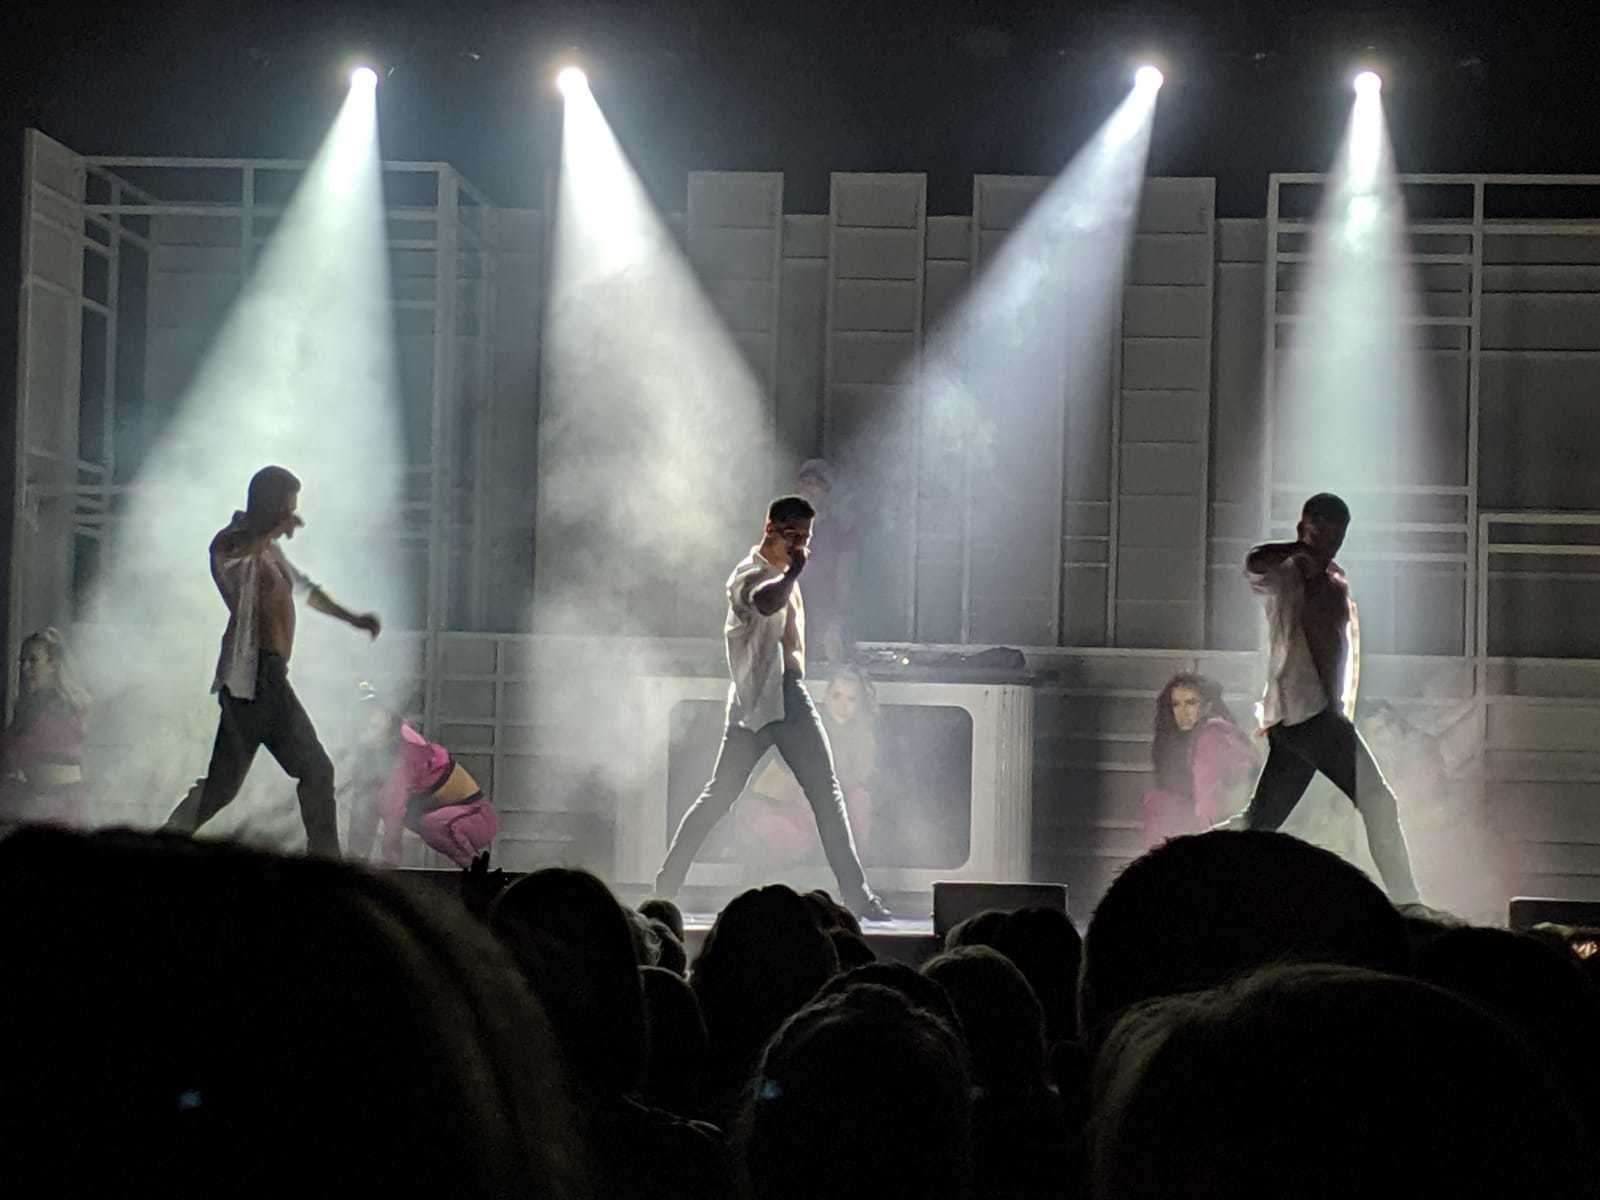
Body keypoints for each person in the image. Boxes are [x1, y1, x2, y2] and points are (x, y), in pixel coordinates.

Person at [654, 496, 889, 920]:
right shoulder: (748, 576)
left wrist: (793, 574)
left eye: (806, 538)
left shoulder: (786, 575)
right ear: (770, 530)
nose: (800, 546)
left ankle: (859, 897)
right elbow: (763, 602)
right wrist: (793, 574)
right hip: (754, 703)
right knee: (719, 796)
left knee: (826, 794)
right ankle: (664, 887)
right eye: (792, 536)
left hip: (791, 696)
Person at [165, 466, 380, 856]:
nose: (291, 517)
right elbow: (238, 554)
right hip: (254, 678)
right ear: (270, 505)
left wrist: (353, 618)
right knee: (315, 770)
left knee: (222, 787)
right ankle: (326, 865)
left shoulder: (271, 550)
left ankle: (165, 842)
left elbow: (306, 590)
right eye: (287, 507)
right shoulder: (229, 542)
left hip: (263, 679)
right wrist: (271, 530)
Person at [1236, 492, 1422, 906]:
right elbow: (1253, 564)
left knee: (1259, 821)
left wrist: (1340, 709)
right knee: (1378, 801)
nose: (1329, 544)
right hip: (1308, 716)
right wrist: (1299, 549)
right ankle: (1410, 904)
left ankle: (1191, 861)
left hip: (1310, 717)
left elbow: (1341, 650)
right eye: (1320, 534)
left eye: (1336, 537)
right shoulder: (1286, 574)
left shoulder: (1336, 579)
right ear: (1304, 528)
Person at [738, 664, 881, 863]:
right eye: (836, 696)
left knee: (859, 801)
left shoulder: (863, 739)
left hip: (824, 809)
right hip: (780, 804)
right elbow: (778, 784)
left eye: (851, 699)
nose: (842, 706)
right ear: (825, 697)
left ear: (860, 704)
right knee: (798, 838)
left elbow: (854, 782)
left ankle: (850, 867)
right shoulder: (807, 728)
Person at [345, 687, 498, 868]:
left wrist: (389, 862)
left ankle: (476, 871)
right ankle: (354, 866)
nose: (368, 718)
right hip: (436, 810)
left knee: (424, 821)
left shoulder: (407, 751)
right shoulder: (377, 746)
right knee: (368, 799)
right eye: (363, 713)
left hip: (473, 817)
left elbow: (393, 810)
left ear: (388, 715)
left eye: (374, 712)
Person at [1141, 673, 1258, 846]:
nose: (1183, 712)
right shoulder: (1198, 737)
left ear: (1207, 706)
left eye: (1191, 703)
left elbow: (1211, 801)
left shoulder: (1213, 737)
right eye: (1176, 704)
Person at [0, 627, 91, 828]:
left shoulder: (68, 707)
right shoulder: (26, 706)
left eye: (33, 661)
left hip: (63, 805)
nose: (25, 668)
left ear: (53, 664)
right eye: (22, 661)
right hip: (34, 801)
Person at [794, 459, 858, 664]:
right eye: (805, 482)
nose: (809, 489)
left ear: (827, 492)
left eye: (816, 483)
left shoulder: (842, 529)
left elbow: (845, 578)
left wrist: (836, 620)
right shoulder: (781, 527)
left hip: (824, 619)